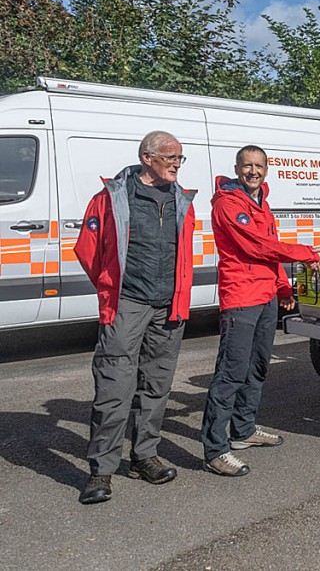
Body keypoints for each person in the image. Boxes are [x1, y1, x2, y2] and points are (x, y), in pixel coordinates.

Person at [74, 131, 196, 505]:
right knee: (114, 387)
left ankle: (145, 457)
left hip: (168, 308)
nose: (177, 163)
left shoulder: (182, 200)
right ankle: (101, 472)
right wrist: (112, 288)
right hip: (127, 304)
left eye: (181, 158)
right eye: (170, 156)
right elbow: (88, 250)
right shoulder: (112, 198)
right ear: (147, 157)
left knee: (156, 385)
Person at [201, 146, 320, 477]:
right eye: (247, 166)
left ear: (266, 170)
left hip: (266, 297)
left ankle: (243, 431)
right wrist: (304, 253)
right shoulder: (228, 204)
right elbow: (256, 246)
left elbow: (269, 251)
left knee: (257, 367)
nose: (253, 171)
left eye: (259, 166)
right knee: (231, 373)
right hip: (241, 297)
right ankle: (215, 449)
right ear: (237, 168)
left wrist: (283, 288)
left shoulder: (262, 203)